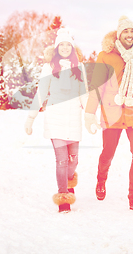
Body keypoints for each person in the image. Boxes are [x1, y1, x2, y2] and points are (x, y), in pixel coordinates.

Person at [84, 15, 133, 214]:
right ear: (119, 34)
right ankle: (101, 180)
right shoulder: (106, 56)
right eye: (126, 31)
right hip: (112, 113)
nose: (130, 34)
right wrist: (89, 114)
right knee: (108, 153)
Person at [24, 28, 88, 213]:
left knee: (73, 161)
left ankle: (68, 183)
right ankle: (64, 197)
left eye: (69, 44)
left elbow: (84, 94)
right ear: (57, 47)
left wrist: (92, 116)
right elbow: (41, 93)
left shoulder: (79, 67)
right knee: (61, 161)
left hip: (74, 118)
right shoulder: (49, 67)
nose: (66, 48)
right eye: (62, 45)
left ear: (73, 48)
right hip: (55, 118)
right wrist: (30, 118)